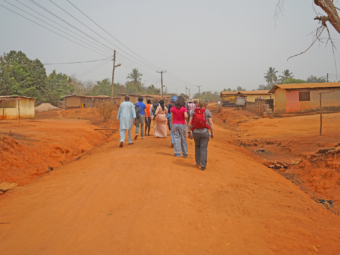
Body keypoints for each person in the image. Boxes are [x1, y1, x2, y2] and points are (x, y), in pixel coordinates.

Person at [188, 102, 214, 171]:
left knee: (197, 145)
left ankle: (198, 162)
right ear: (205, 106)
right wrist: (212, 133)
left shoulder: (193, 111)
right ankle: (203, 165)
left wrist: (189, 132)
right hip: (204, 132)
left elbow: (190, 123)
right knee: (203, 148)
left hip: (195, 132)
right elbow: (210, 123)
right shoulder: (207, 111)